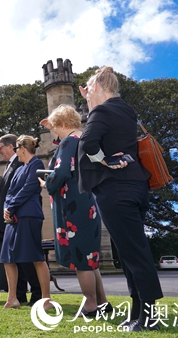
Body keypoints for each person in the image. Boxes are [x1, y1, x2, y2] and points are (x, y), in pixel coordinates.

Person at [78, 66, 163, 331]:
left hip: (115, 189)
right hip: (136, 186)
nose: (87, 92)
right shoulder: (126, 110)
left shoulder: (101, 111)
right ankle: (138, 312)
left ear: (100, 87)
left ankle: (149, 318)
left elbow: (88, 142)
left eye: (89, 88)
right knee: (129, 253)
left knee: (134, 254)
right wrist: (90, 100)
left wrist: (103, 160)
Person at [39, 105, 110, 316]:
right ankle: (103, 303)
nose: (53, 132)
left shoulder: (69, 142)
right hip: (87, 204)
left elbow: (60, 172)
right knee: (91, 259)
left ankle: (90, 305)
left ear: (62, 124)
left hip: (73, 208)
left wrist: (46, 184)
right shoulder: (81, 140)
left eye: (54, 127)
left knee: (82, 260)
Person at [1, 135, 54, 310]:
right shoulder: (18, 169)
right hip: (14, 218)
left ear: (22, 149)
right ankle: (12, 298)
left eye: (16, 149)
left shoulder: (36, 164)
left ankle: (46, 299)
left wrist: (12, 207)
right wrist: (6, 209)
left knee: (36, 257)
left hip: (29, 216)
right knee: (8, 258)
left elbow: (29, 188)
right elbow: (9, 192)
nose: (16, 152)